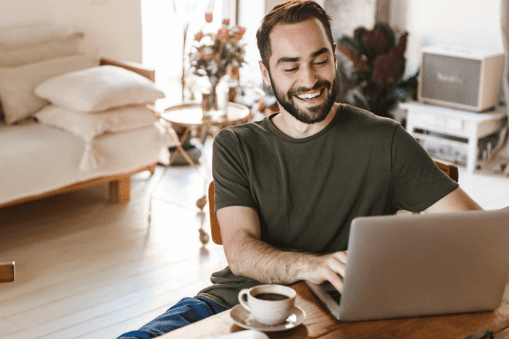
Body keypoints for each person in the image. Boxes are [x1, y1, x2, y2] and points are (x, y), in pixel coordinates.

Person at [118, 1, 482, 338]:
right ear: (265, 72)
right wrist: (311, 266)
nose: (309, 80)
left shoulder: (385, 139)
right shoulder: (236, 145)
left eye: (319, 61)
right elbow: (241, 251)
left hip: (338, 315)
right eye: (290, 67)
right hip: (233, 304)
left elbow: (475, 231)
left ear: (336, 57)